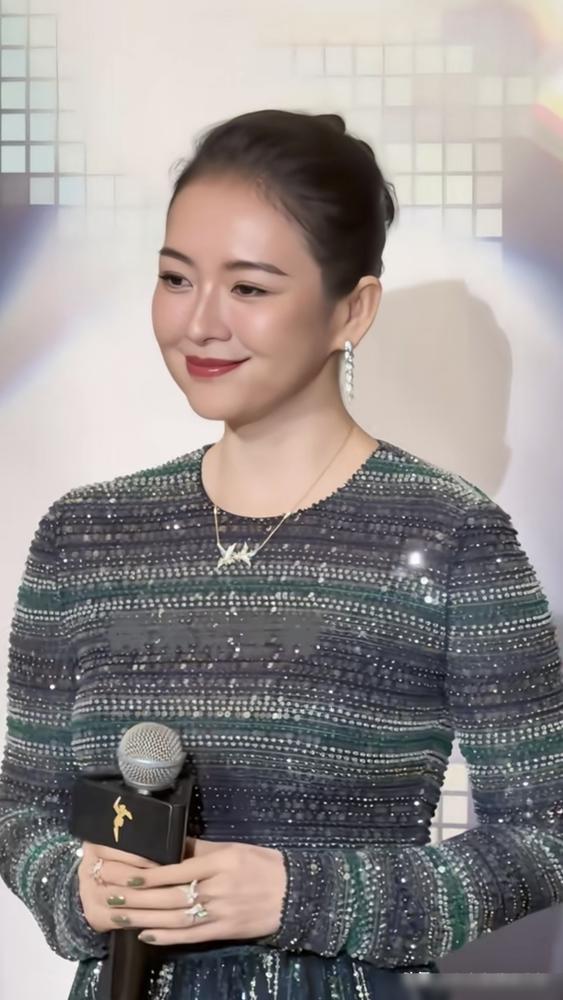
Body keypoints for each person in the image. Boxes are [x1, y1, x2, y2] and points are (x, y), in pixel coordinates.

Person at [1, 108, 563, 1000]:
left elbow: (543, 836)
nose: (200, 323)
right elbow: (23, 809)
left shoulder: (451, 536)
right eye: (175, 278)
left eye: (249, 289)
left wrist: (299, 895)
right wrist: (74, 886)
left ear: (352, 309)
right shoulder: (86, 533)